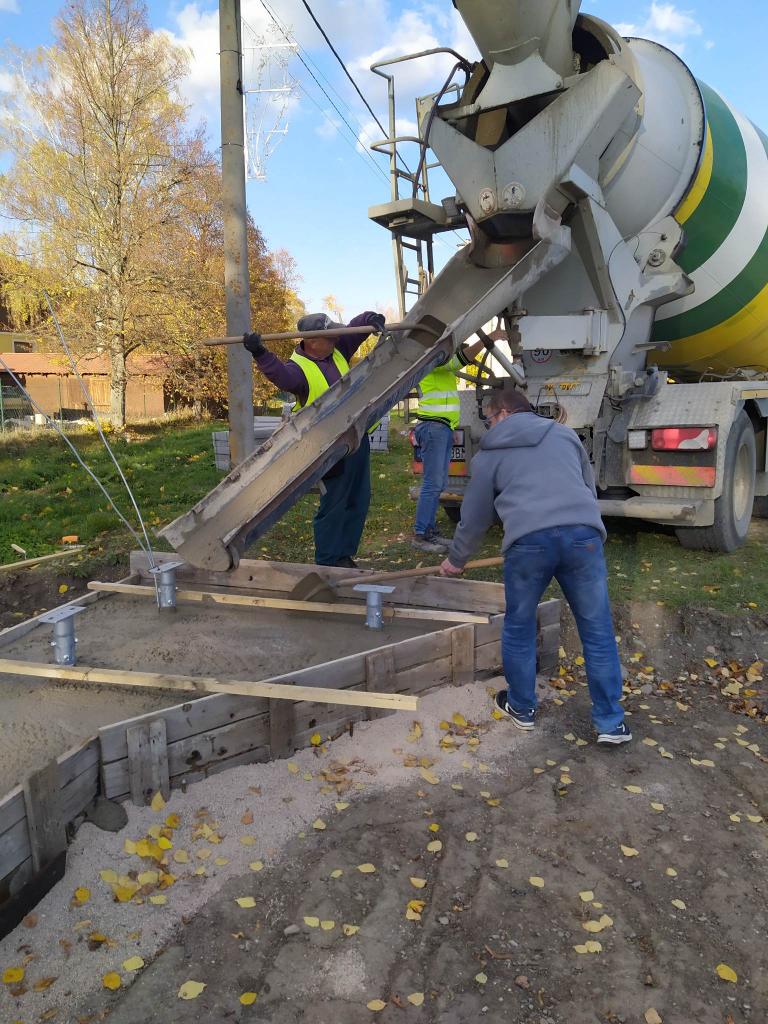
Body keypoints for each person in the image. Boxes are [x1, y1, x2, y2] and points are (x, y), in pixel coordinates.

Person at [439, 385, 630, 746]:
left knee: (519, 626)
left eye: (489, 419)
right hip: (584, 538)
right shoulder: (564, 435)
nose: (488, 427)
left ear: (504, 414)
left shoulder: (489, 455)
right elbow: (587, 488)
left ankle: (523, 707)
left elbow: (475, 515)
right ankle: (611, 722)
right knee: (598, 630)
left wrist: (456, 559)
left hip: (529, 543)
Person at [243, 310, 385, 568]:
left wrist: (370, 319)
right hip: (328, 446)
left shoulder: (337, 349)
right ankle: (328, 561)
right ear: (311, 342)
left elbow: (355, 329)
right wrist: (260, 353)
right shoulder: (297, 370)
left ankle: (344, 555)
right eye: (329, 337)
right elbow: (280, 375)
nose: (335, 339)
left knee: (358, 499)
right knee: (335, 503)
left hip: (356, 436)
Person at [411, 338, 485, 553]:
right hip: (434, 427)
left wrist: (449, 429)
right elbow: (461, 359)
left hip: (440, 427)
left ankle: (429, 532)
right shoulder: (431, 360)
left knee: (439, 483)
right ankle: (420, 535)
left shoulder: (437, 364)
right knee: (432, 484)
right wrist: (487, 340)